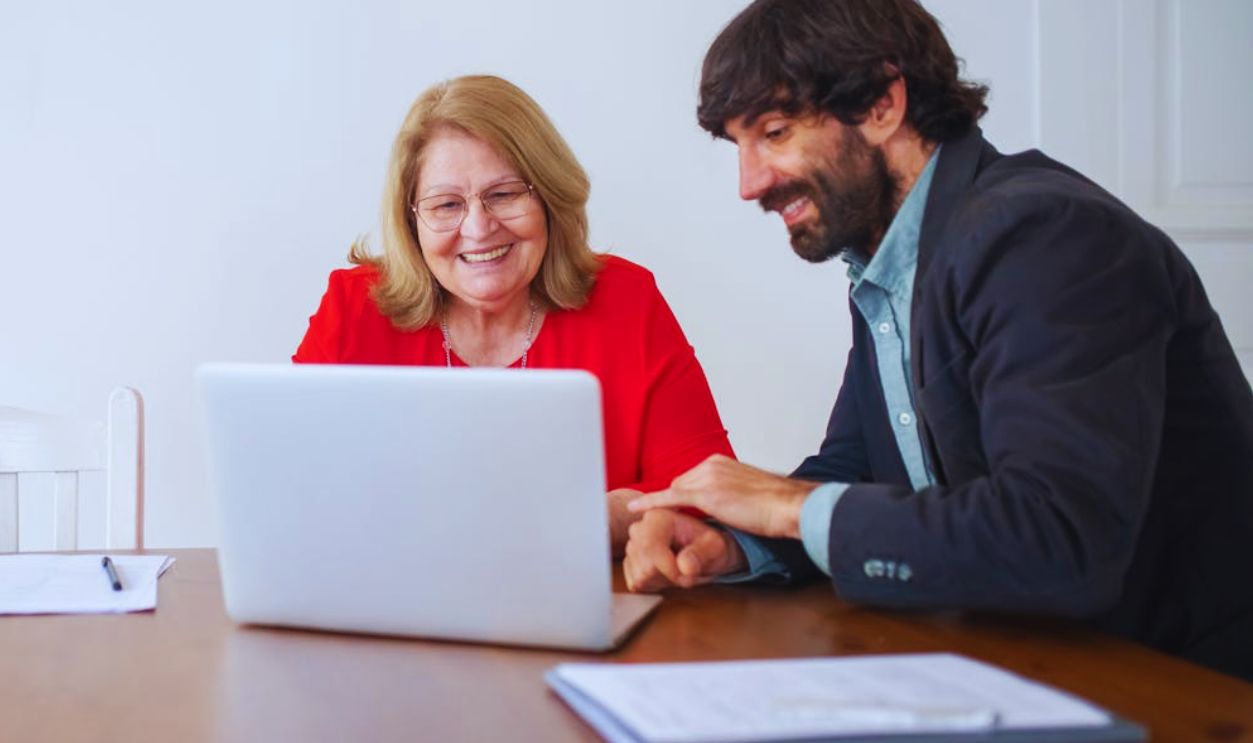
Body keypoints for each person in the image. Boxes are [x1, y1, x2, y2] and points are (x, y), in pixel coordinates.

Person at [623, 0, 1253, 681]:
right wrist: (733, 540)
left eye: (774, 132)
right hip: (1022, 667)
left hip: (1183, 683)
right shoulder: (893, 260)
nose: (749, 184)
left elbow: (1058, 537)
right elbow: (857, 468)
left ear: (881, 104)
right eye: (738, 145)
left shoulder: (1044, 235)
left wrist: (785, 505)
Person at [294, 75, 733, 555]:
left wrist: (600, 519)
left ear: (548, 196)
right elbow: (289, 483)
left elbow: (708, 491)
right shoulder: (353, 308)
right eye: (447, 204)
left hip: (584, 589)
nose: (479, 227)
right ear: (411, 219)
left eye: (504, 194)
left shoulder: (628, 300)